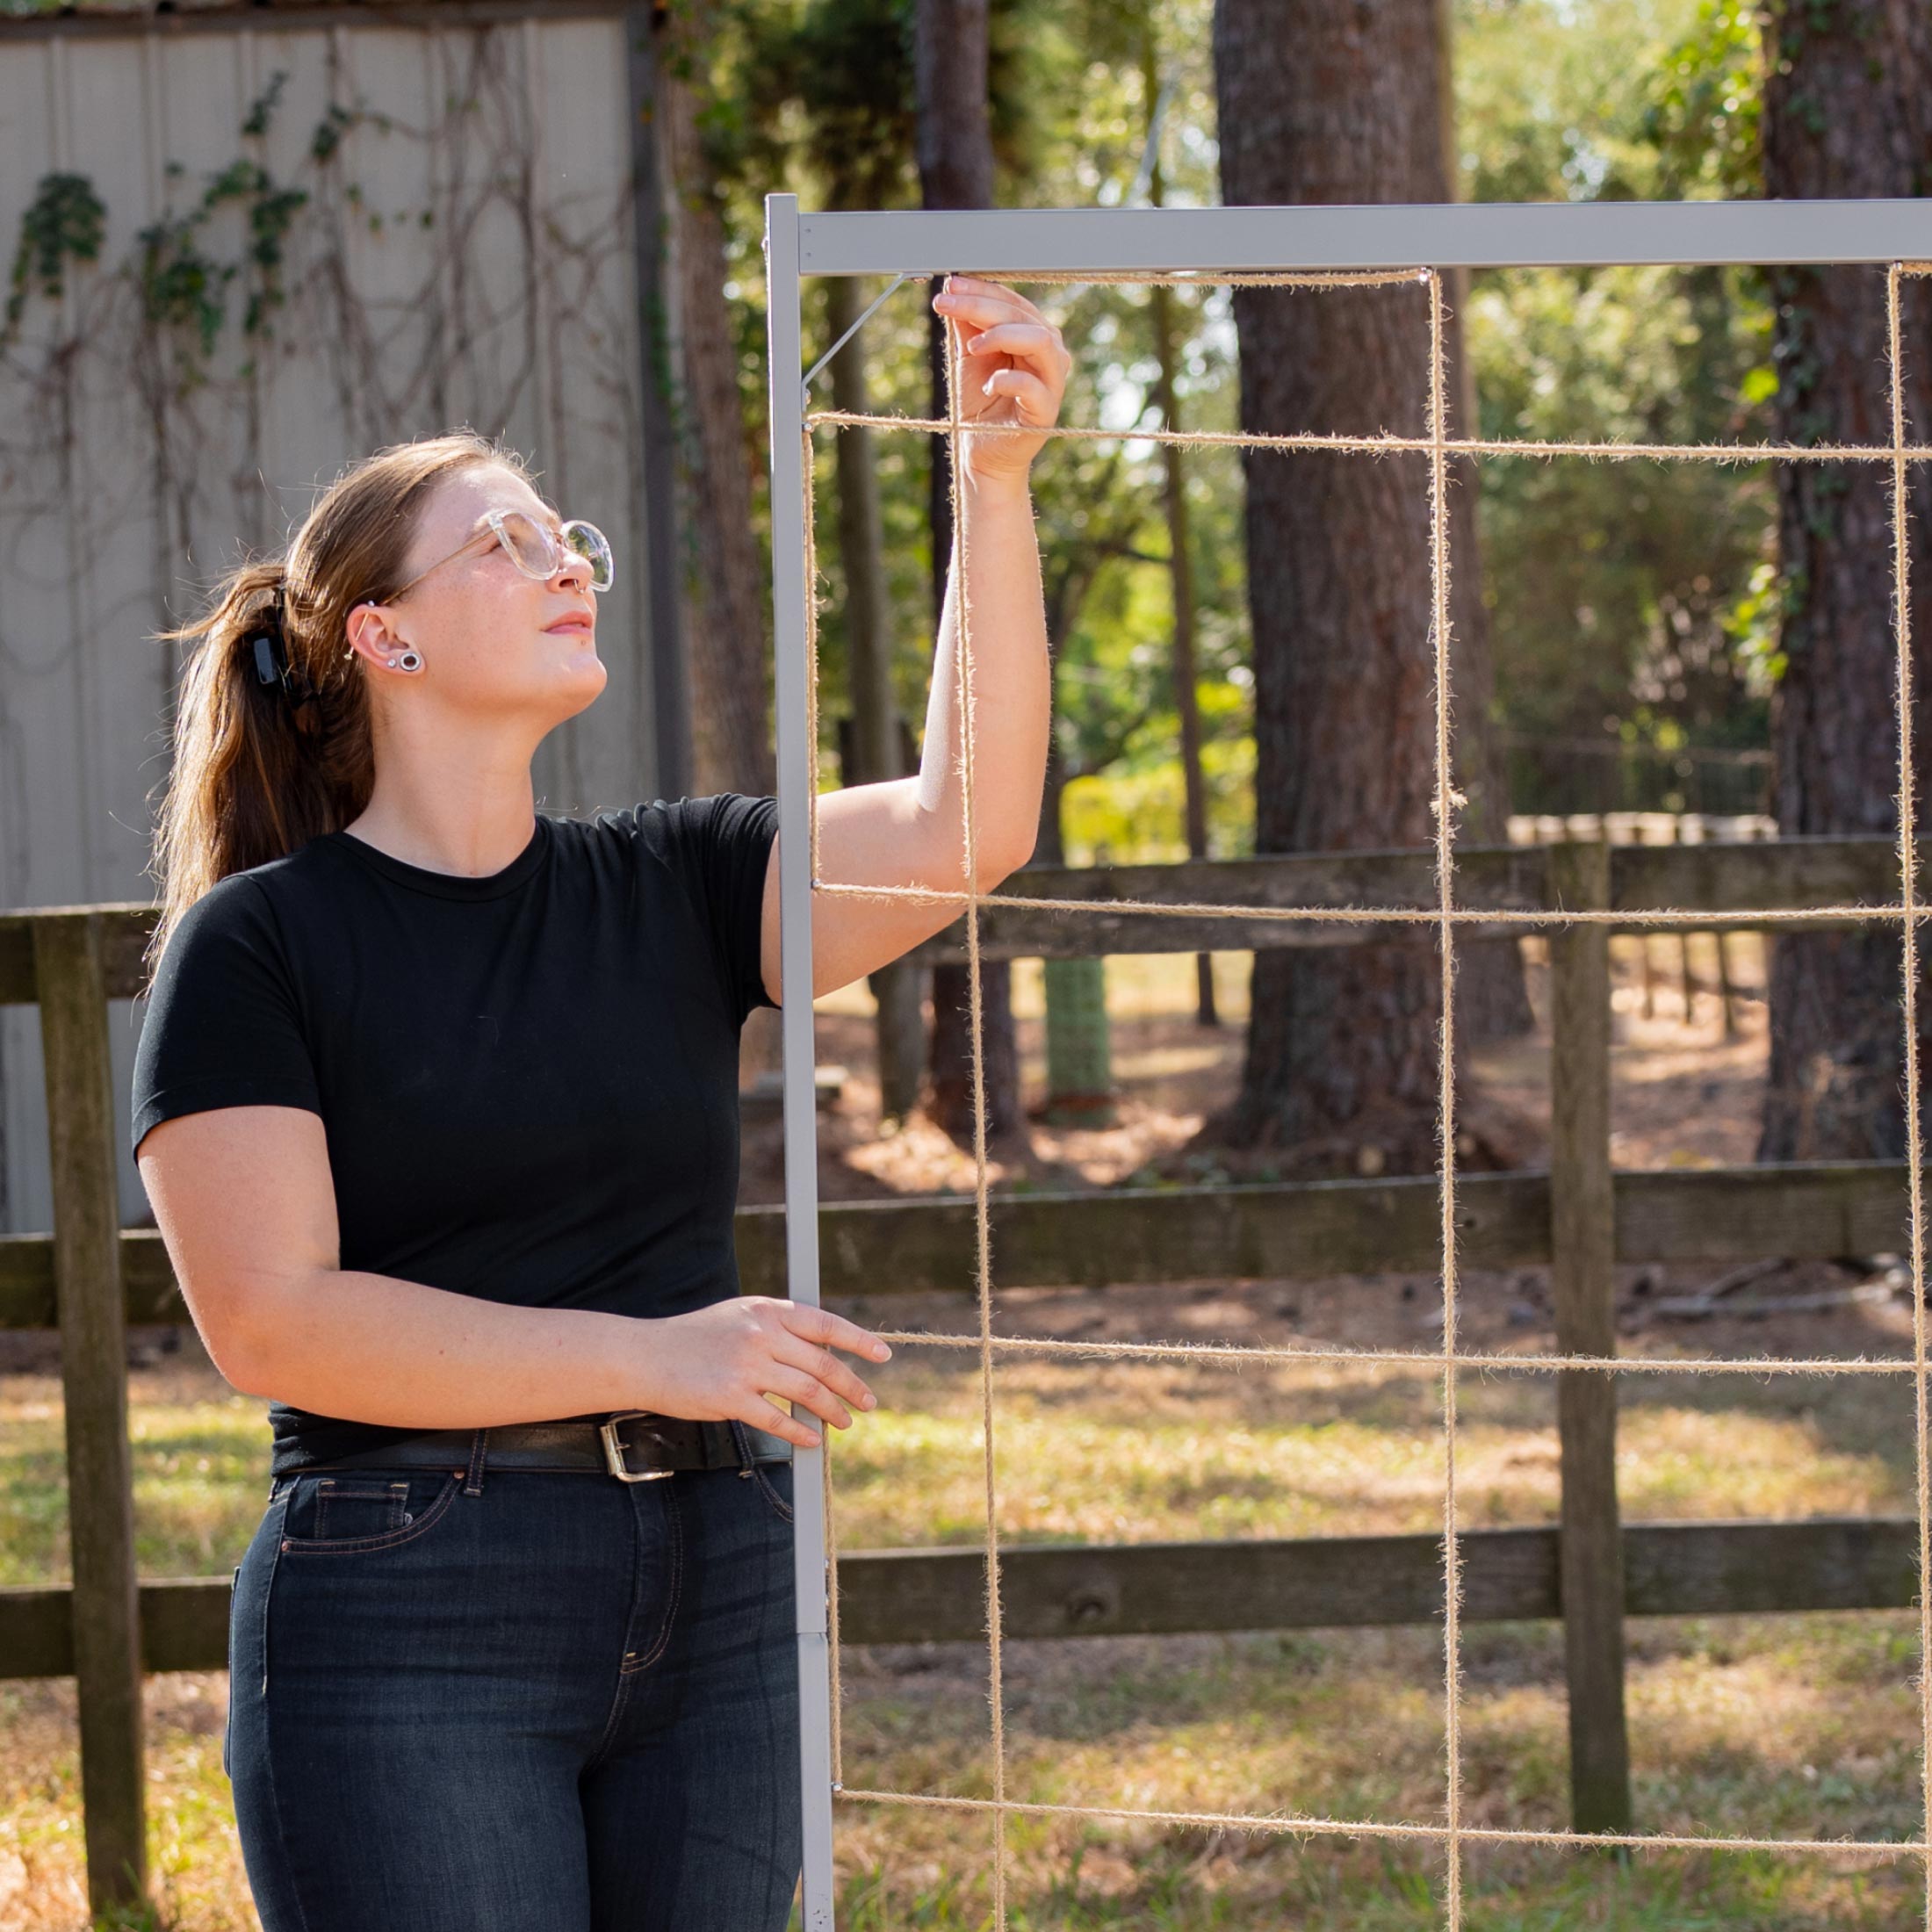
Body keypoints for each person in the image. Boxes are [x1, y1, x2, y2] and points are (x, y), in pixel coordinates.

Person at [129, 273, 1068, 1932]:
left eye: (564, 533)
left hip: (724, 1567)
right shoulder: (257, 944)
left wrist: (991, 483)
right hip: (410, 1592)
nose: (562, 558)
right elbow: (274, 1327)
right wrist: (654, 1354)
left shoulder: (679, 882)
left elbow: (967, 822)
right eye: (500, 541)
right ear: (383, 636)